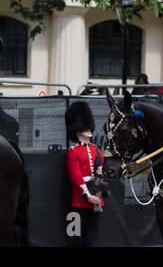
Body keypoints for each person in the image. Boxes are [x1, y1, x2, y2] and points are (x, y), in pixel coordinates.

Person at [65, 101, 106, 246]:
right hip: (80, 200)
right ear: (77, 130)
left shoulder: (96, 150)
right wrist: (88, 196)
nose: (89, 129)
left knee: (92, 236)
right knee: (76, 237)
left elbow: (103, 173)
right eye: (85, 127)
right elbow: (76, 178)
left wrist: (101, 173)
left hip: (97, 198)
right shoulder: (73, 152)